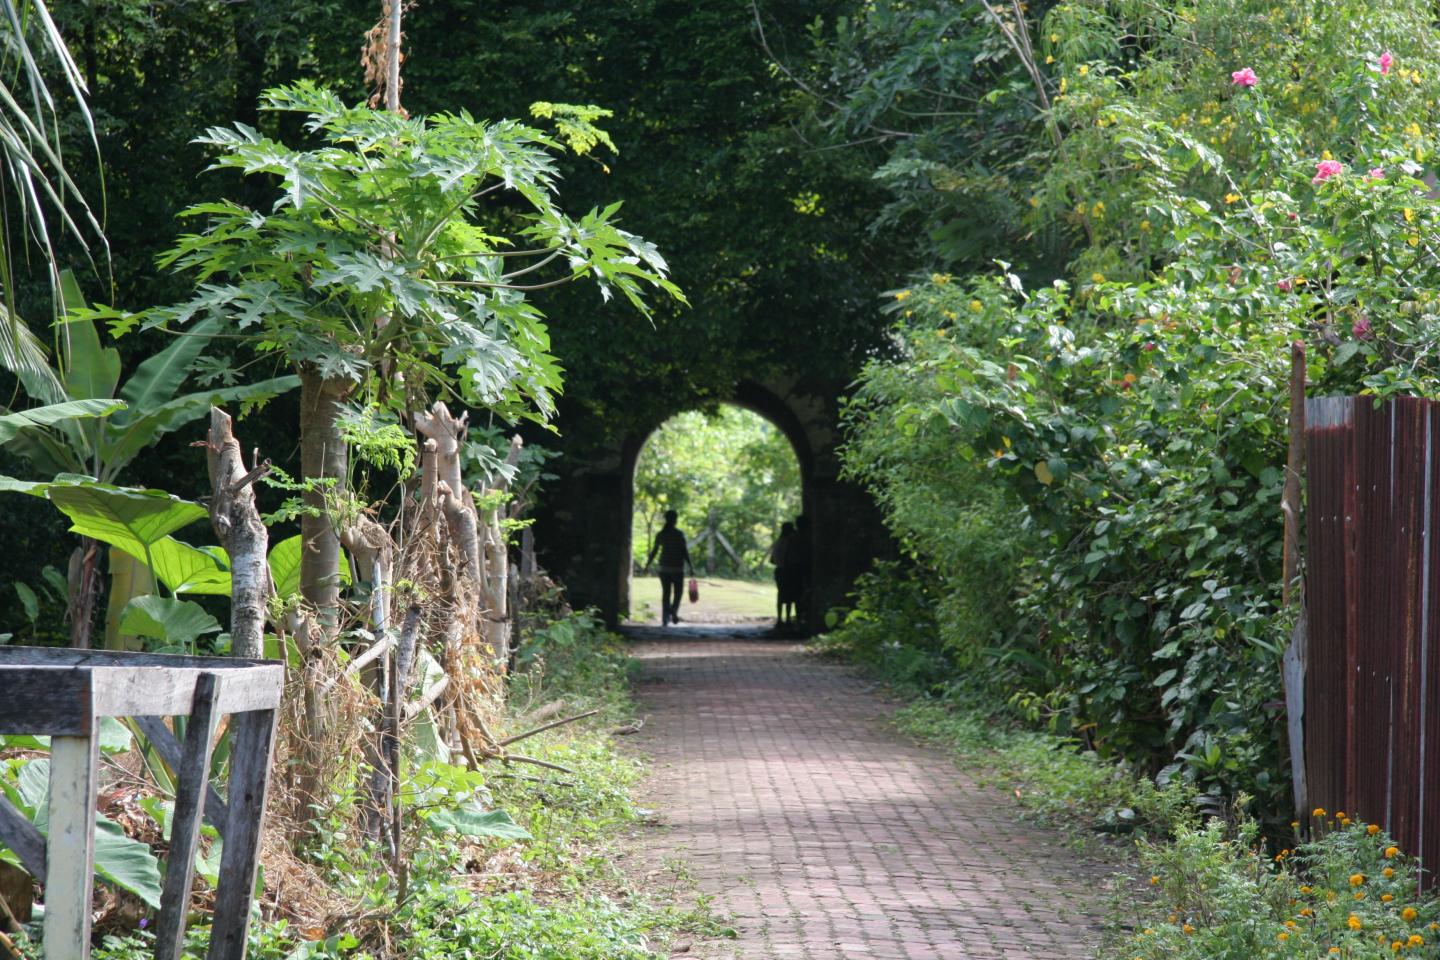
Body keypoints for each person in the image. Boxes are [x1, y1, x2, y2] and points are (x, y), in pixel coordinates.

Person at [645, 509, 694, 626]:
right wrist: (691, 566)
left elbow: (654, 551)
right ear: (675, 520)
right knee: (678, 593)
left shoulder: (660, 534)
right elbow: (684, 551)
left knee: (666, 593)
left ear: (666, 519)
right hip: (677, 568)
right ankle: (673, 609)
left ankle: (664, 619)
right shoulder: (679, 534)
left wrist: (647, 564)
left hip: (664, 568)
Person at [769, 521, 796, 626]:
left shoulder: (778, 542)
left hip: (779, 571)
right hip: (788, 571)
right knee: (789, 596)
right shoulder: (790, 542)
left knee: (781, 595)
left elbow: (772, 560)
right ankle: (788, 619)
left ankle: (780, 618)